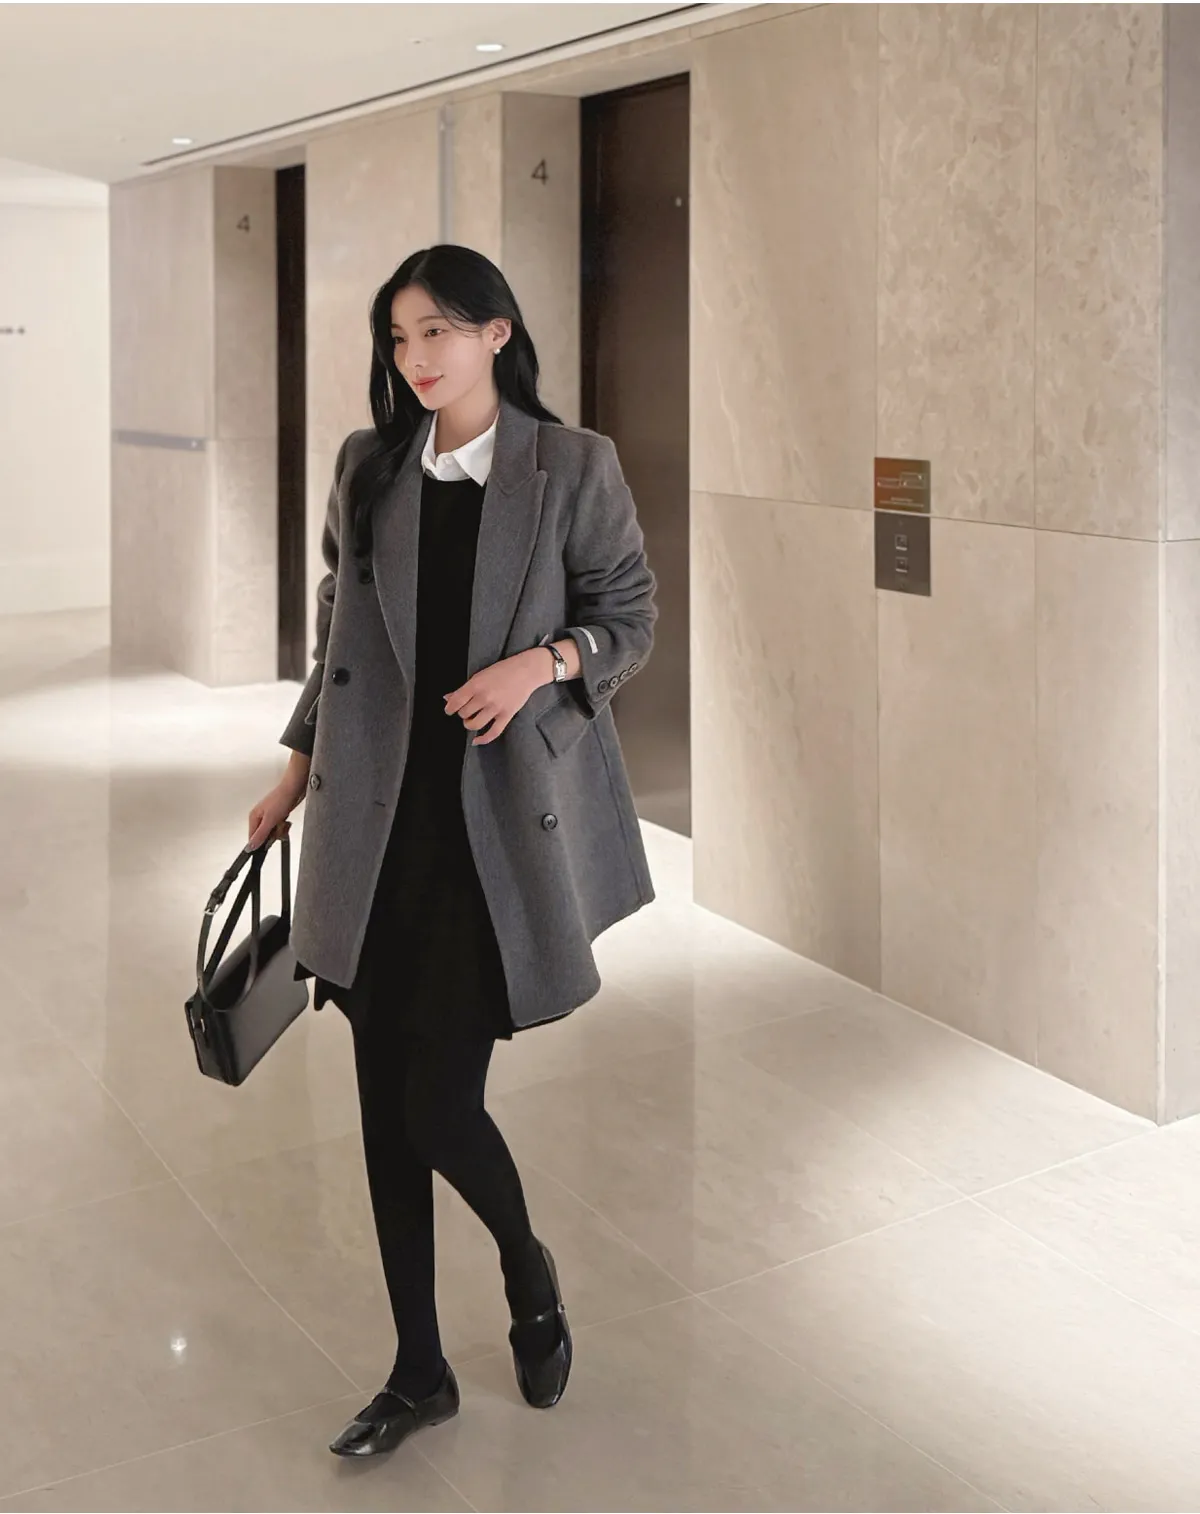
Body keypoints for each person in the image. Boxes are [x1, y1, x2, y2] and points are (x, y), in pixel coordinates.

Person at [247, 244, 657, 1459]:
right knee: (385, 1109)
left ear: (495, 333)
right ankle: (418, 1368)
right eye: (398, 337)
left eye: (436, 331)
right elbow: (337, 628)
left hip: (492, 833)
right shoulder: (370, 465)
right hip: (372, 828)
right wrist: (295, 767)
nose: (415, 357)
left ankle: (526, 1267)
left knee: (438, 1100)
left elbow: (630, 614)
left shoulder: (571, 465)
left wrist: (541, 663)